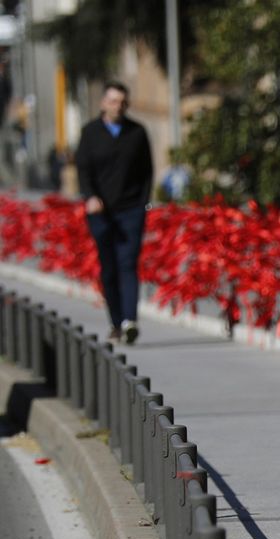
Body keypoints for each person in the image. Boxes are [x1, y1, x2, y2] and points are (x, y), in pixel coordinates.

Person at [74, 81, 152, 344]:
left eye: (122, 102)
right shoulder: (90, 132)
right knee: (109, 268)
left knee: (128, 264)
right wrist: (90, 197)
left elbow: (146, 171)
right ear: (103, 103)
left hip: (131, 210)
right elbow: (83, 170)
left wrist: (143, 203)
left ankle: (130, 320)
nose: (117, 106)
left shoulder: (137, 133)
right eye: (113, 101)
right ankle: (116, 322)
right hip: (101, 212)